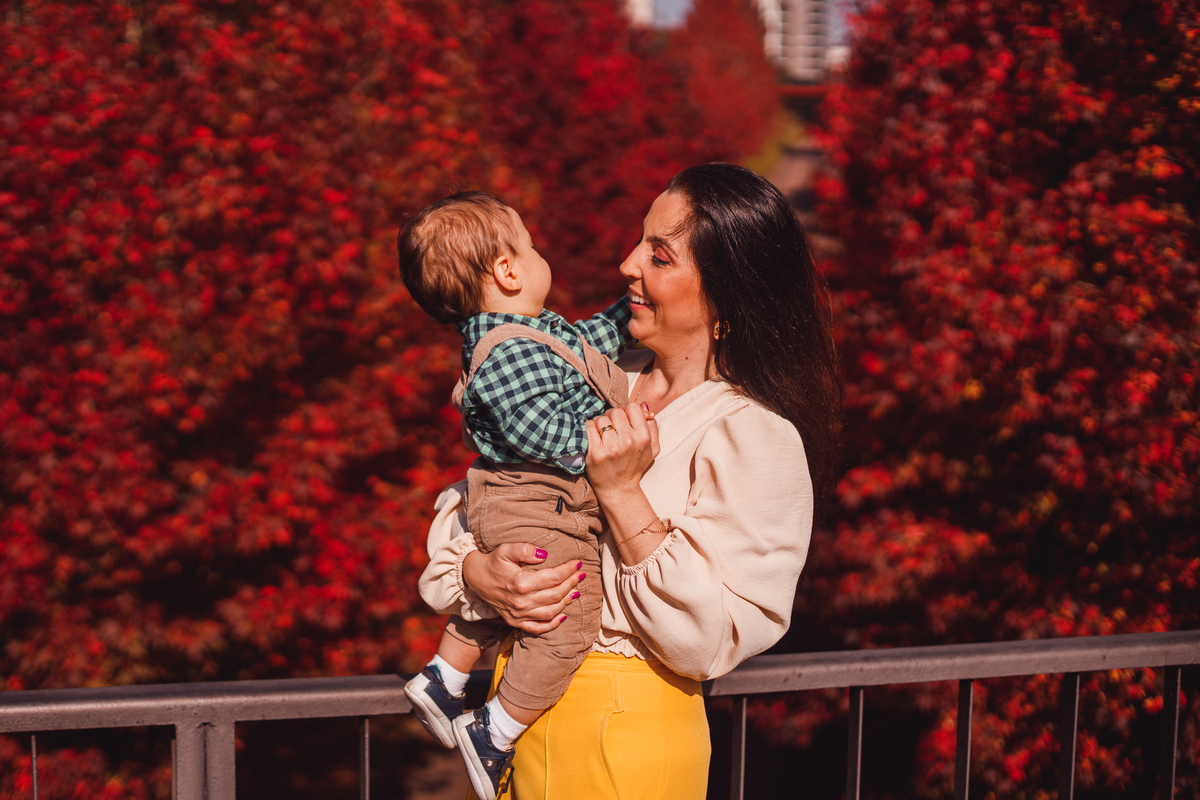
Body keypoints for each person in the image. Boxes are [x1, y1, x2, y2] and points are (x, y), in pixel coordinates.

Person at [419, 163, 842, 800]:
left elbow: (710, 640)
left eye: (659, 255)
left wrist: (621, 492)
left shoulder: (751, 432)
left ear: (726, 292)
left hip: (625, 738)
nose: (627, 263)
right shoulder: (593, 377)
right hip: (517, 720)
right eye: (639, 241)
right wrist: (480, 574)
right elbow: (484, 495)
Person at [396, 191, 640, 800]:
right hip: (539, 499)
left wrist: (631, 311)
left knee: (511, 592)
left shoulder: (532, 334)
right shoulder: (509, 354)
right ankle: (495, 729)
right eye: (530, 247)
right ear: (507, 271)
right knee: (565, 617)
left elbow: (588, 345)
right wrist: (601, 443)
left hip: (524, 498)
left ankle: (444, 677)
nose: (538, 255)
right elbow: (536, 428)